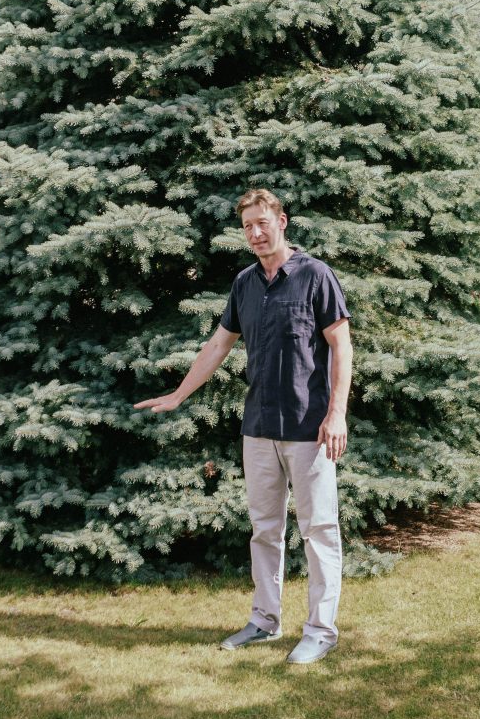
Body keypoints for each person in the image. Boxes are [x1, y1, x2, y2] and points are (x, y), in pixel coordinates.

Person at [135, 188, 351, 665]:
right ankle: (264, 621)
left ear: (282, 221)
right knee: (264, 529)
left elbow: (341, 346)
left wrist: (336, 414)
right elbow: (217, 346)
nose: (254, 233)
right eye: (247, 226)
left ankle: (320, 630)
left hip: (309, 428)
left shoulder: (315, 276)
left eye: (262, 223)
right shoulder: (244, 284)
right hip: (258, 428)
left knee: (318, 531)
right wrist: (177, 395)